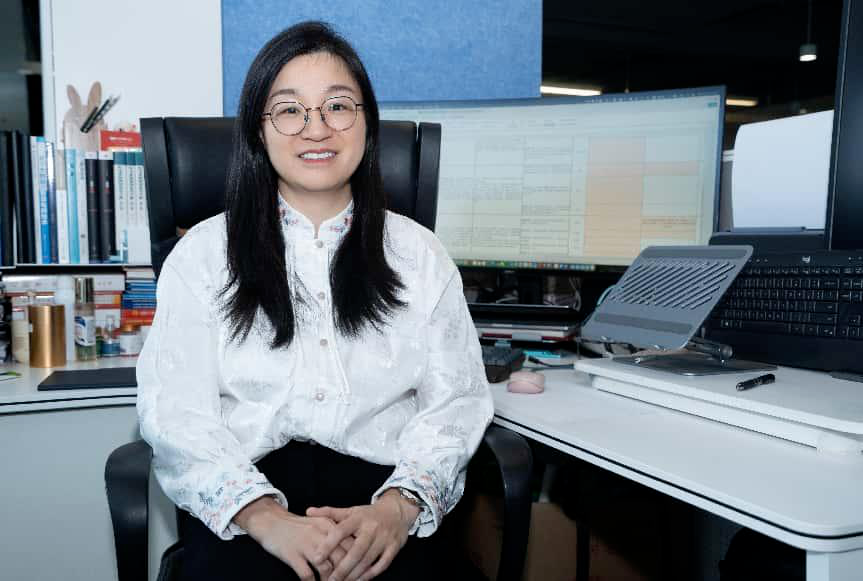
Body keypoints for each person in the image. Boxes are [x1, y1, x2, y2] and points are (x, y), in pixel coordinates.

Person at [136, 20, 494, 581]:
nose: (316, 128)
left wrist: (398, 508)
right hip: (249, 500)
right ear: (259, 130)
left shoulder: (420, 255)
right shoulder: (203, 255)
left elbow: (457, 403)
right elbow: (176, 415)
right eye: (289, 110)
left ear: (367, 123)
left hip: (384, 500)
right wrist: (264, 517)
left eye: (337, 106)